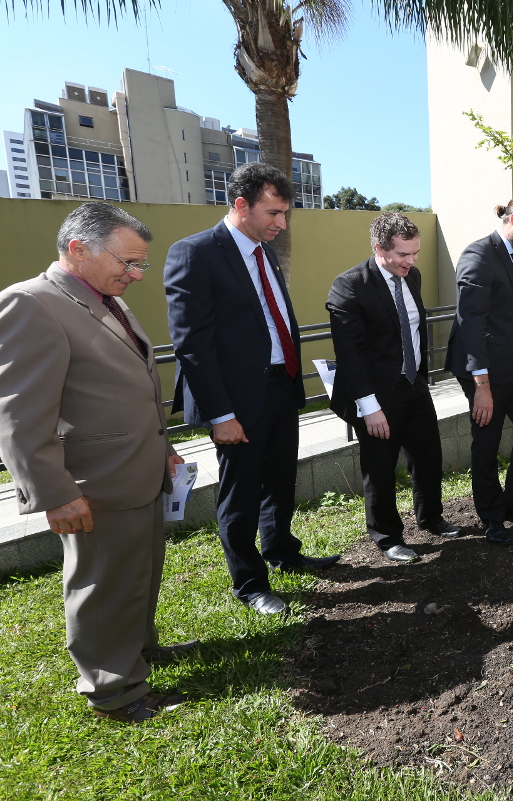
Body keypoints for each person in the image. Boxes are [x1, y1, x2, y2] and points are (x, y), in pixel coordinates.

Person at [0, 203, 193, 722]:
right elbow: (19, 416)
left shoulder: (104, 298)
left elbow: (130, 385)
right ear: (78, 249)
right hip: (93, 484)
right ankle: (114, 690)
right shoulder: (30, 303)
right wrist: (54, 493)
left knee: (136, 575)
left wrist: (163, 448)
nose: (136, 274)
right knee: (104, 587)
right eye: (127, 262)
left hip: (136, 472)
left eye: (139, 264)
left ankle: (137, 652)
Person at [164, 162, 340, 617]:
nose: (282, 224)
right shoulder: (195, 253)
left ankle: (282, 551)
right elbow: (192, 345)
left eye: (285, 214)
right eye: (273, 213)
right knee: (240, 494)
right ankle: (250, 582)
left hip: (280, 386)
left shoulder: (266, 254)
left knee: (280, 481)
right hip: (237, 401)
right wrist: (221, 415)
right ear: (241, 205)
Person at [326, 212, 461, 565]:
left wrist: (419, 378)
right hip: (375, 395)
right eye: (403, 254)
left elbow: (412, 328)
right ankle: (387, 537)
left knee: (428, 457)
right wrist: (369, 407)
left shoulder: (411, 276)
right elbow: (350, 355)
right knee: (380, 468)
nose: (411, 261)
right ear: (379, 248)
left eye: (415, 253)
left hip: (413, 385)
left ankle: (431, 518)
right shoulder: (349, 285)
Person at [445, 193, 513, 545]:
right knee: (487, 444)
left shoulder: (512, 259)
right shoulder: (478, 255)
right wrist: (482, 385)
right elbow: (470, 321)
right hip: (485, 371)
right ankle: (492, 517)